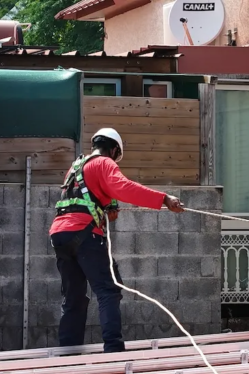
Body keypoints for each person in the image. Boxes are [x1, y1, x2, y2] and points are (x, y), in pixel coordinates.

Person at [49, 127, 184, 353]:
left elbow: (87, 193)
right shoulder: (104, 163)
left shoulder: (76, 167)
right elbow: (122, 186)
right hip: (85, 233)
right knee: (108, 292)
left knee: (73, 298)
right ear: (113, 150)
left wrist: (108, 204)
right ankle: (114, 351)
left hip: (60, 234)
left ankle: (67, 355)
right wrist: (164, 199)